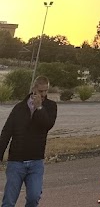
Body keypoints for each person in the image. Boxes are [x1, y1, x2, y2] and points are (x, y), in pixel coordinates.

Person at [0, 75, 57, 207]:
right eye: (40, 91)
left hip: (36, 161)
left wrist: (39, 108)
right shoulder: (19, 108)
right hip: (16, 161)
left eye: (46, 91)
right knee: (9, 201)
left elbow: (47, 125)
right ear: (34, 89)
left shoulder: (50, 106)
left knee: (34, 197)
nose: (43, 94)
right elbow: (7, 132)